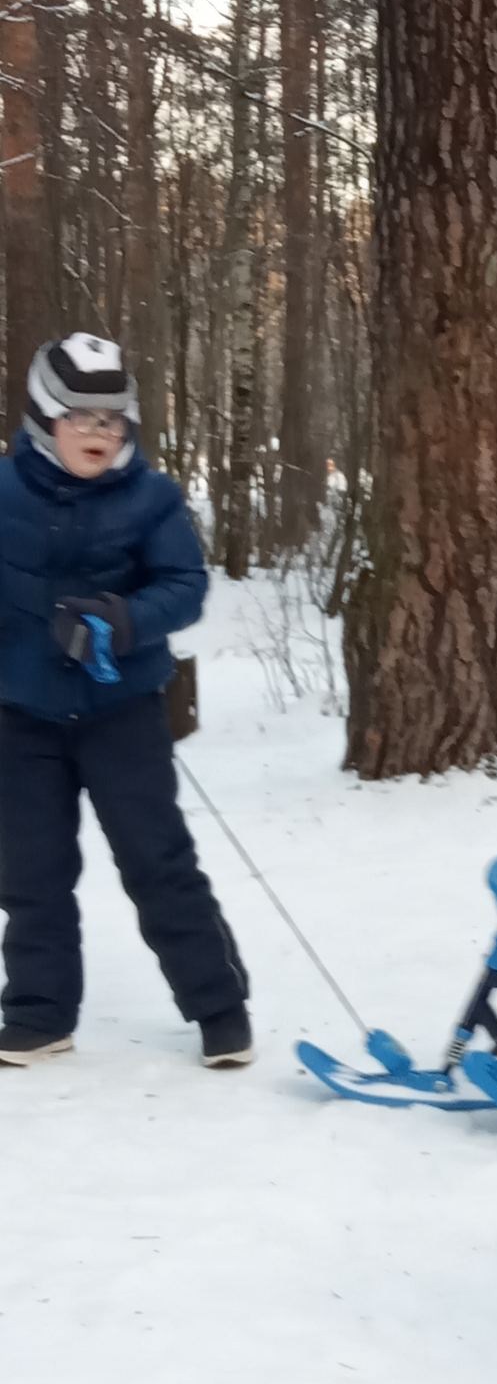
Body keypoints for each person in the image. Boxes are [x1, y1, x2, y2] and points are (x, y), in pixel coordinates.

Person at [0, 333, 253, 1067]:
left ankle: (219, 1008)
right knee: (31, 871)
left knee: (157, 861)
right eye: (79, 417)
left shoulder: (153, 497)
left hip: (123, 712)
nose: (96, 434)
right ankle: (41, 1013)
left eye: (111, 420)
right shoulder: (6, 492)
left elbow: (186, 587)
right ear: (46, 419)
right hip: (21, 716)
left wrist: (124, 618)